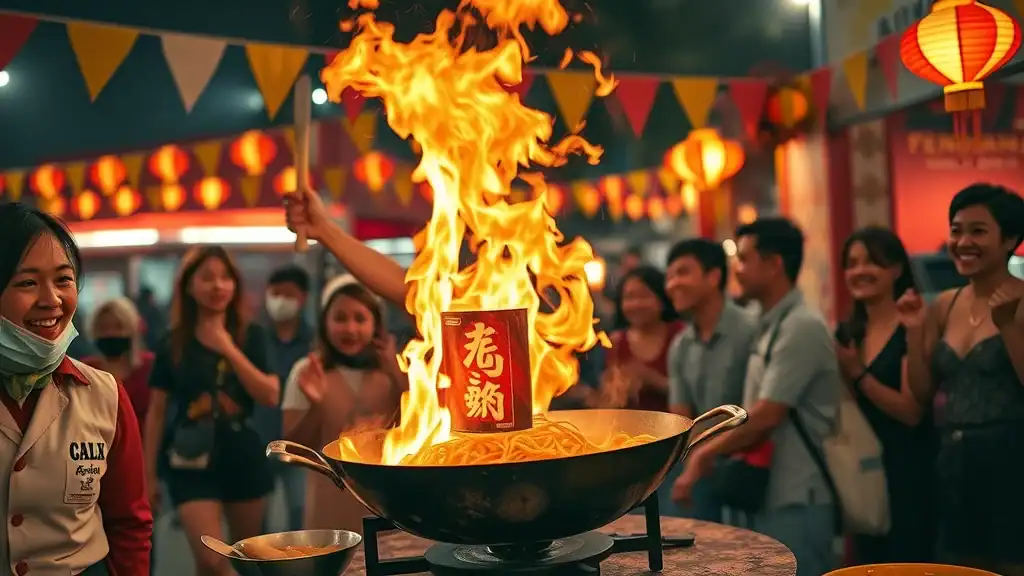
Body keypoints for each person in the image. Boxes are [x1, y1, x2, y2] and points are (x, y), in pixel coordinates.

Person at [673, 217, 840, 576]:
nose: (737, 269)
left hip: (799, 495)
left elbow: (765, 416)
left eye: (745, 259)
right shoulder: (770, 324)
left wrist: (703, 454)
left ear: (774, 263)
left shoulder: (801, 326)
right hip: (770, 491)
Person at [0, 203, 151, 575]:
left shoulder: (104, 393)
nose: (51, 299)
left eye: (64, 280)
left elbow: (129, 524)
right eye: (27, 282)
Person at [897, 184, 1024, 575]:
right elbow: (922, 392)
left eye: (978, 231)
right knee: (956, 568)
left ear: (1010, 240)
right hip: (953, 461)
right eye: (956, 230)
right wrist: (914, 331)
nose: (963, 242)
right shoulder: (945, 303)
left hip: (1012, 460)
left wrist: (1008, 327)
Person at [143, 246, 279, 576]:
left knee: (248, 562)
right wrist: (147, 475)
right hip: (190, 460)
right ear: (189, 286)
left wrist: (227, 347)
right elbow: (157, 411)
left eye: (225, 277)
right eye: (207, 278)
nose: (218, 286)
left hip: (242, 455)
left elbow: (269, 393)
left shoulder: (251, 334)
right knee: (212, 561)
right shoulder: (173, 341)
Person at [836, 227, 935, 564]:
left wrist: (857, 374)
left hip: (909, 469)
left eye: (871, 262)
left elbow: (911, 411)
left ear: (896, 269)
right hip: (863, 469)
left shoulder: (913, 324)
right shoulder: (848, 333)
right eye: (852, 264)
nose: (859, 271)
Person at [282, 275, 405, 532]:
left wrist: (397, 374)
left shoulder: (395, 371)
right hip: (329, 503)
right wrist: (317, 406)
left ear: (376, 324)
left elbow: (418, 431)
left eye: (360, 319)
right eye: (340, 318)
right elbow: (294, 450)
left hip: (386, 504)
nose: (350, 329)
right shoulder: (307, 371)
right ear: (324, 323)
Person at [665, 239, 756, 522]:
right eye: (669, 276)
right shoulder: (680, 346)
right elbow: (682, 420)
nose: (672, 284)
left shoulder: (751, 329)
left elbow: (761, 414)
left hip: (754, 470)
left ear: (714, 276)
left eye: (682, 272)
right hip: (702, 472)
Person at [258, 265, 314, 532]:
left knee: (300, 512)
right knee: (257, 521)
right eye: (275, 293)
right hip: (260, 436)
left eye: (288, 294)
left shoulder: (315, 342)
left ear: (302, 298)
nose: (280, 301)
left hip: (299, 444)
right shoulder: (256, 339)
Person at [594, 266, 682, 412]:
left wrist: (654, 380)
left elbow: (696, 392)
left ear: (662, 299)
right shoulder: (615, 342)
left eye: (644, 296)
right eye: (629, 297)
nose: (636, 304)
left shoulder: (681, 336)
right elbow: (609, 402)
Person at [84, 297, 155, 435]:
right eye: (104, 328)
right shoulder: (85, 372)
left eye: (118, 327)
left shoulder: (150, 367)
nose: (111, 333)